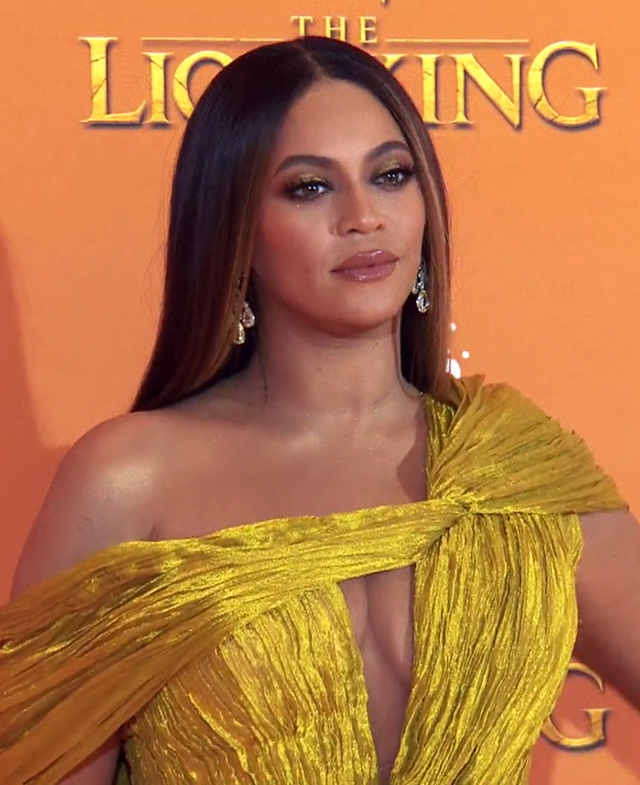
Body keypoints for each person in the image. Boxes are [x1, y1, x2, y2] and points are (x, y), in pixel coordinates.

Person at [0, 35, 638, 785]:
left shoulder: (513, 470)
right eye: (309, 187)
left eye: (391, 175)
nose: (364, 217)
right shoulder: (128, 478)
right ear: (234, 230)